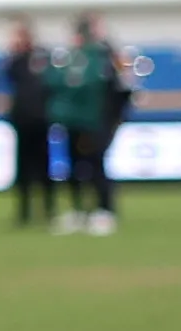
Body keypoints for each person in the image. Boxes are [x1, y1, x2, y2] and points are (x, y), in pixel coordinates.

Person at [54, 14, 128, 231]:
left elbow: (122, 89)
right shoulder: (72, 58)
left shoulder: (106, 56)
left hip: (99, 121)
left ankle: (105, 210)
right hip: (75, 122)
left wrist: (114, 118)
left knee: (97, 165)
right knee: (75, 166)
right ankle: (79, 211)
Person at [5, 17, 56, 225]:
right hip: (22, 120)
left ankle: (48, 209)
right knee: (23, 168)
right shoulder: (16, 61)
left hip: (41, 119)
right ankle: (24, 211)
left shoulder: (43, 56)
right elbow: (9, 76)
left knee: (44, 166)